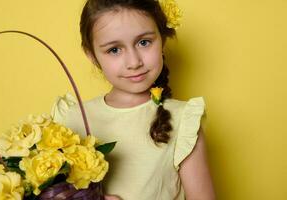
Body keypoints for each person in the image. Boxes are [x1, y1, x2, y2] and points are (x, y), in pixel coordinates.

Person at [51, 0, 215, 199]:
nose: (134, 62)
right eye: (114, 50)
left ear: (162, 39)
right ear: (92, 55)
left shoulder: (184, 121)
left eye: (144, 42)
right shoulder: (70, 121)